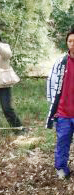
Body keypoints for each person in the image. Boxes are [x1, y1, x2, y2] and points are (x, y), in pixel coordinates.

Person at [46, 27, 74, 179]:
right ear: (66, 43)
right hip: (63, 112)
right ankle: (61, 168)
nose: (73, 44)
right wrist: (54, 106)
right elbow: (51, 82)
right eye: (70, 41)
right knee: (62, 142)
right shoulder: (61, 62)